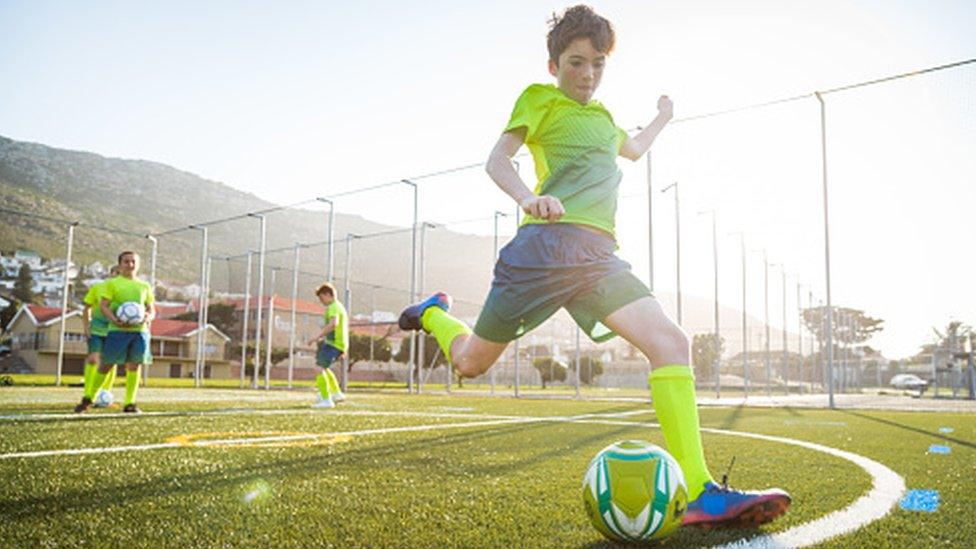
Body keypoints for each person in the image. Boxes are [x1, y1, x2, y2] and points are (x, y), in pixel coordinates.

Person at [399, 5, 790, 528]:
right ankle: (432, 313)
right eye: (575, 62)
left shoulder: (605, 119)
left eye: (597, 64)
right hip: (540, 252)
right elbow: (497, 160)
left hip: (597, 258)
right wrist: (529, 198)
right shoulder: (538, 100)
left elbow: (633, 149)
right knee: (470, 363)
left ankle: (698, 492)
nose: (586, 74)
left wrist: (664, 117)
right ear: (553, 64)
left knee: (672, 342)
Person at [77, 251, 155, 414]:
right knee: (106, 365)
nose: (130, 265)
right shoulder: (112, 284)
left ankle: (130, 403)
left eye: (133, 262)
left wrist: (147, 317)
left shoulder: (144, 286)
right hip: (117, 331)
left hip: (139, 331)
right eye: (126, 262)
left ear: (138, 264)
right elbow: (104, 306)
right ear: (120, 265)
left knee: (134, 365)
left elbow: (152, 310)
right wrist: (114, 319)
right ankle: (88, 398)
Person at [76, 266, 120, 411]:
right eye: (117, 273)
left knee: (110, 364)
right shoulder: (98, 288)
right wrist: (86, 327)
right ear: (111, 274)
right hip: (96, 331)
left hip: (115, 333)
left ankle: (104, 394)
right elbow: (86, 308)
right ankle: (88, 394)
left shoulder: (126, 292)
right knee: (94, 361)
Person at [307, 282, 348, 408]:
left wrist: (317, 336)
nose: (321, 301)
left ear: (328, 294)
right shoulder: (339, 306)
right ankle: (336, 393)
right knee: (323, 368)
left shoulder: (333, 307)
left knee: (318, 369)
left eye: (321, 297)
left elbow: (333, 324)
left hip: (333, 344)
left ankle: (326, 400)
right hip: (338, 344)